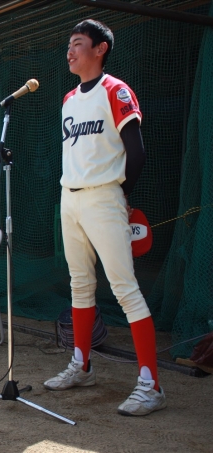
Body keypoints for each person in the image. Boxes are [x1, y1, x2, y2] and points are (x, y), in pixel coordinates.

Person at [44, 19, 164, 417]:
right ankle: (82, 366)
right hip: (70, 197)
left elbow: (137, 153)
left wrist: (120, 197)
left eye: (78, 43)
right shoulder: (68, 99)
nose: (70, 50)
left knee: (125, 289)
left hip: (105, 197)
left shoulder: (116, 90)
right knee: (80, 285)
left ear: (100, 49)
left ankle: (151, 385)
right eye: (69, 44)